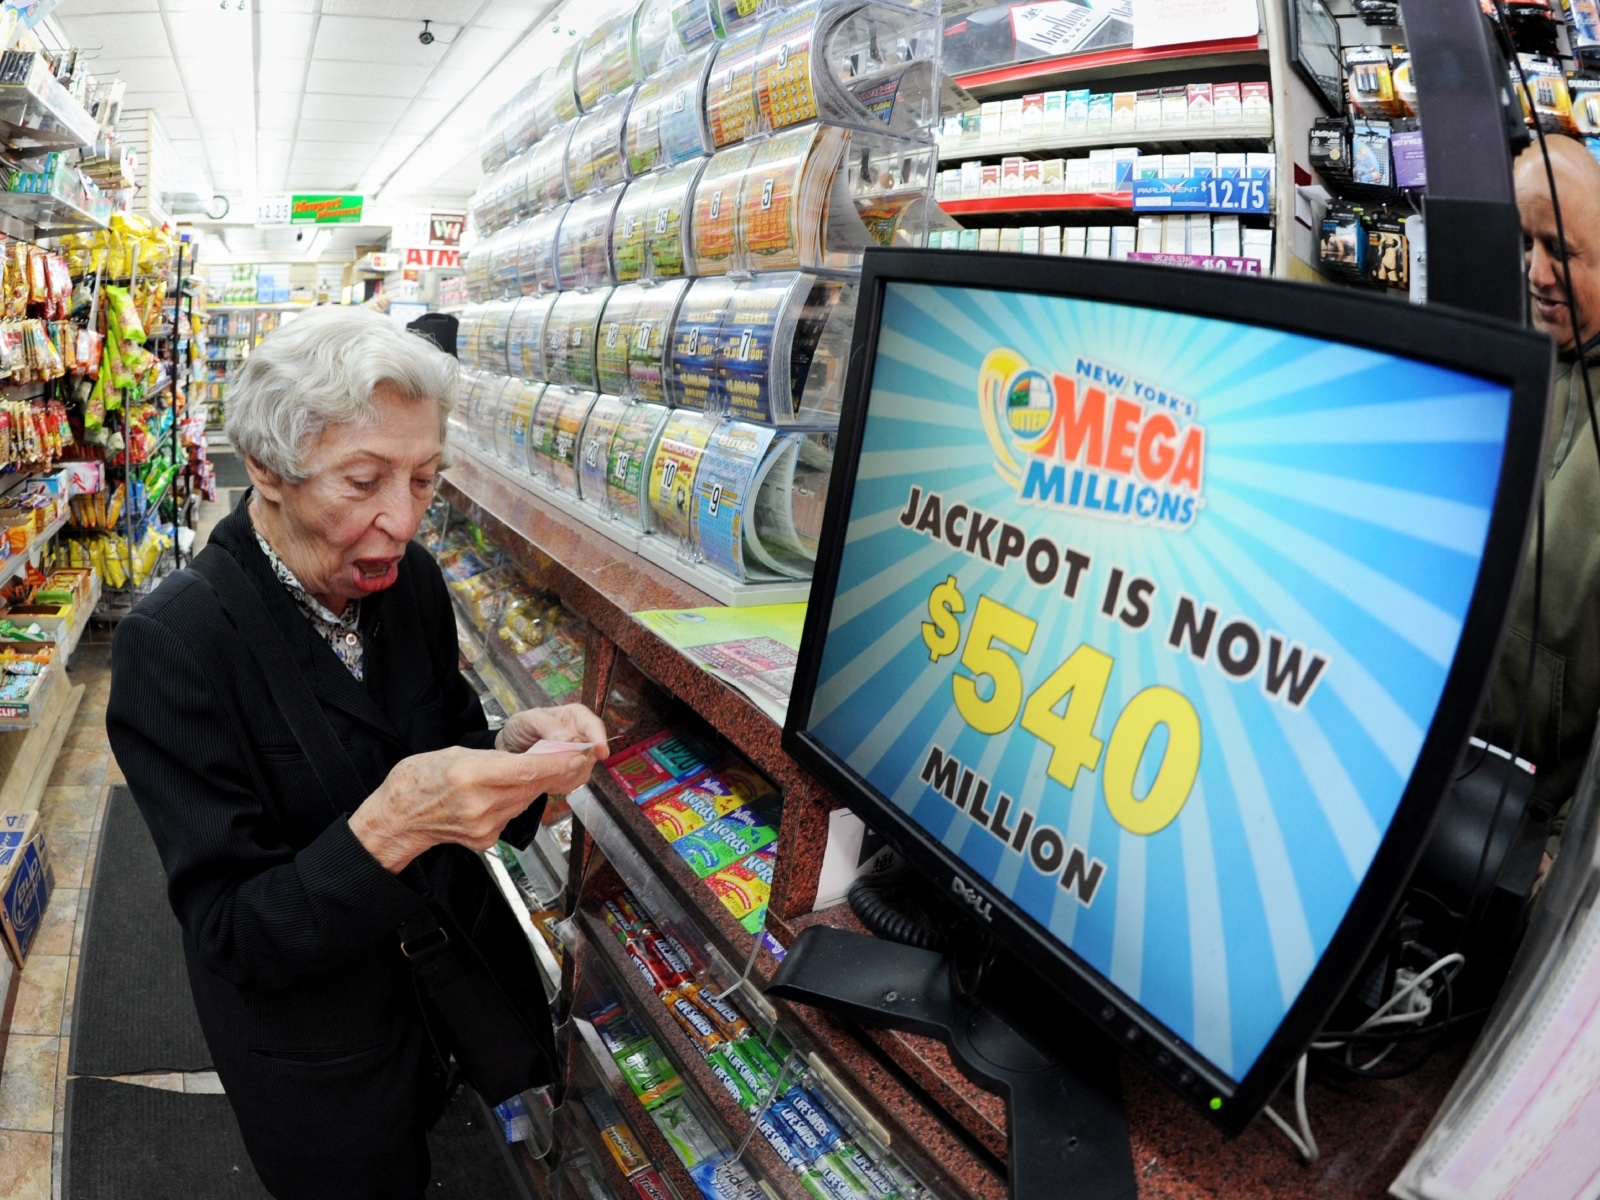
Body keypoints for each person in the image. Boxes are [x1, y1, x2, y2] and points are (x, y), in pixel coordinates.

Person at [105, 306, 609, 1200]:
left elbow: (439, 732)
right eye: (363, 480)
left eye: (424, 479)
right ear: (266, 467)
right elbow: (231, 930)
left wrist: (510, 751)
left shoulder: (408, 581)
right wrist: (389, 826)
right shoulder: (175, 644)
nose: (401, 520)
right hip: (318, 1050)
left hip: (447, 996)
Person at [1478, 136, 1600, 820]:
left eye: (1559, 249)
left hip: (1538, 829)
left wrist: (1559, 855)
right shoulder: (1506, 366)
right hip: (1457, 777)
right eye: (1525, 244)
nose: (1536, 272)